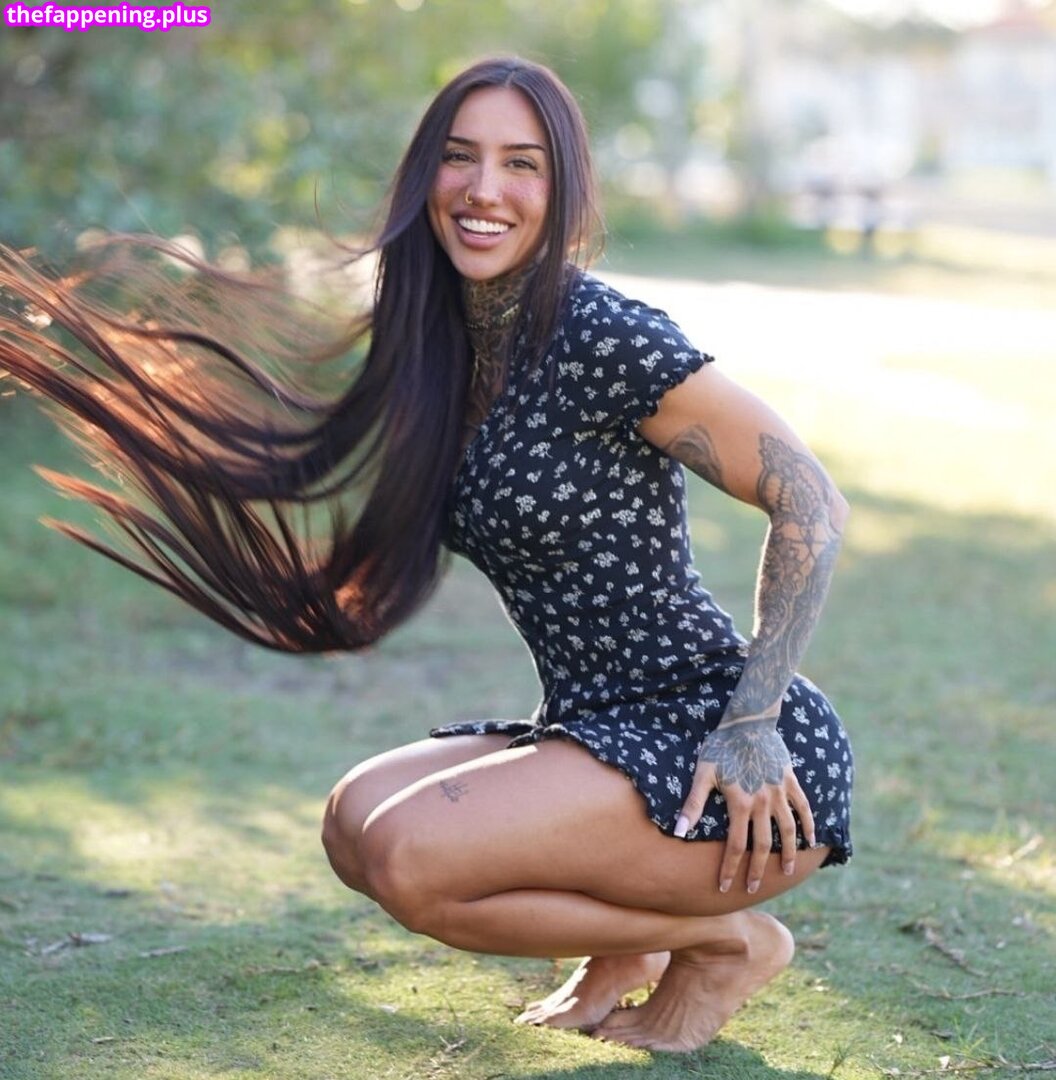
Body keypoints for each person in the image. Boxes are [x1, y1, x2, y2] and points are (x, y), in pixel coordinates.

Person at [0, 57, 852, 1054]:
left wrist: (749, 724)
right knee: (354, 821)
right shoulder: (446, 343)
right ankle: (625, 952)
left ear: (563, 193)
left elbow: (811, 497)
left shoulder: (604, 336)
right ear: (425, 177)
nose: (485, 189)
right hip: (596, 731)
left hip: (716, 750)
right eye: (460, 157)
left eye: (521, 164)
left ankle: (722, 945)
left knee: (412, 860)